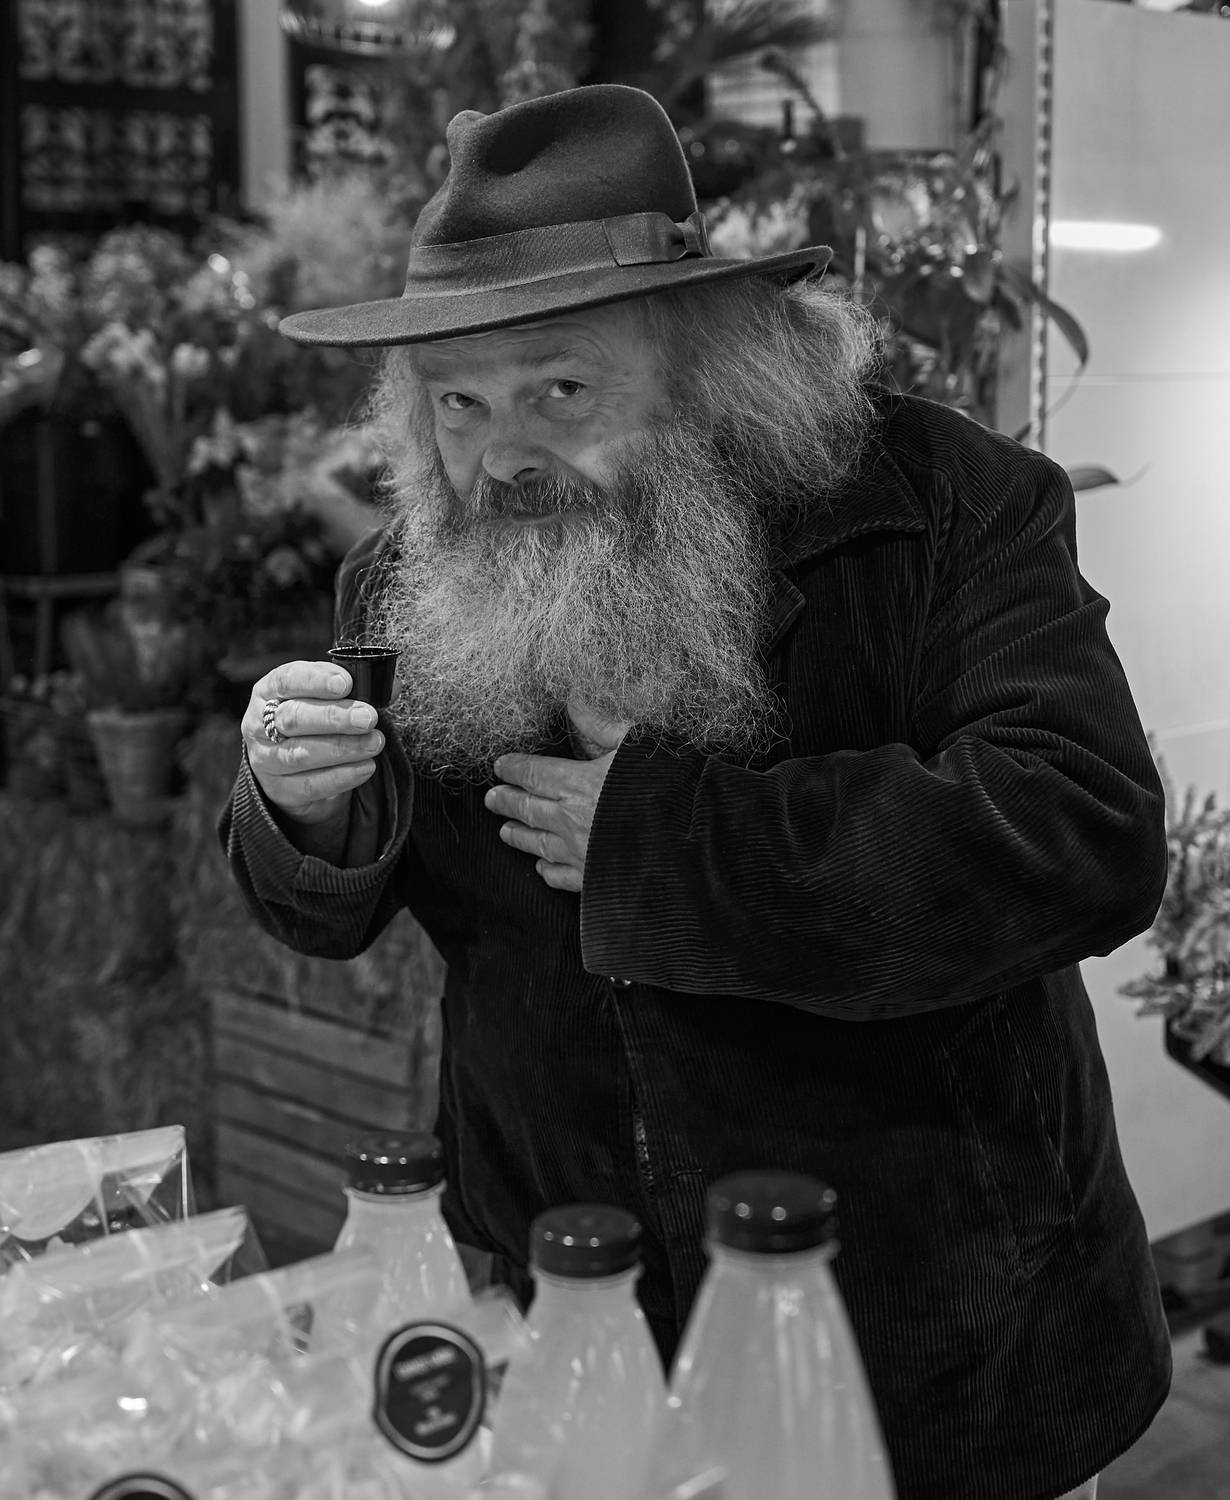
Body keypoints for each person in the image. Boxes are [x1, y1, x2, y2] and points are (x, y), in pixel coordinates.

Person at [220, 84, 1170, 1500]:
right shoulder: (406, 583)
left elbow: (1082, 827)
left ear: (710, 363)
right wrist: (302, 810)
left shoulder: (946, 506)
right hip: (571, 1317)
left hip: (933, 1327)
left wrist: (678, 848)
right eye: (459, 405)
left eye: (561, 390)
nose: (503, 457)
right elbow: (326, 911)